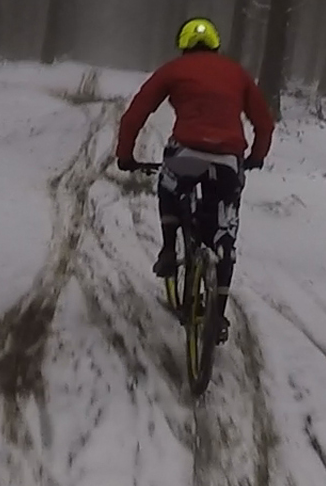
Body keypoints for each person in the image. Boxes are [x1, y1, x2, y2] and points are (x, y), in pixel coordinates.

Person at [115, 18, 275, 290]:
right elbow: (265, 123)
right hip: (228, 160)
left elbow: (135, 115)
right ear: (215, 44)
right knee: (223, 213)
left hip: (186, 154)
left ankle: (169, 249)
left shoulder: (173, 70)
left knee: (169, 184)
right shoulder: (237, 73)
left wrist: (125, 155)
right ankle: (223, 253)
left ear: (183, 45)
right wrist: (257, 156)